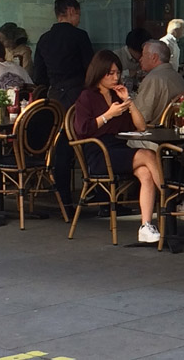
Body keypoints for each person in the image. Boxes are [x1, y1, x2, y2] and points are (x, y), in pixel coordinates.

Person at [73, 50, 163, 243]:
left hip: (118, 148)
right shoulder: (87, 96)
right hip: (99, 153)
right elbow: (82, 129)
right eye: (110, 73)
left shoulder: (116, 95)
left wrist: (128, 102)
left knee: (146, 172)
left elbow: (140, 126)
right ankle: (170, 198)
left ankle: (146, 226)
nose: (115, 77)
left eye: (117, 73)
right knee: (148, 154)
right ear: (99, 72)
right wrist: (108, 115)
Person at [34, 0, 95, 206]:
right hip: (78, 95)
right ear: (69, 12)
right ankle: (94, 190)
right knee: (86, 141)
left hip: (54, 99)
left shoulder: (44, 39)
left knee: (60, 146)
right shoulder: (80, 36)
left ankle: (62, 196)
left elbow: (38, 76)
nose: (79, 18)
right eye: (77, 14)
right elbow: (91, 69)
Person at [133, 40, 184, 125]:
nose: (140, 59)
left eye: (143, 55)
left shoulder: (153, 79)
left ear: (154, 57)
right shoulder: (177, 76)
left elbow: (141, 116)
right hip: (174, 131)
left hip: (153, 133)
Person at [115, 27, 152, 93]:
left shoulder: (147, 57)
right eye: (141, 53)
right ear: (131, 48)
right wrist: (129, 72)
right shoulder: (116, 56)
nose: (142, 57)